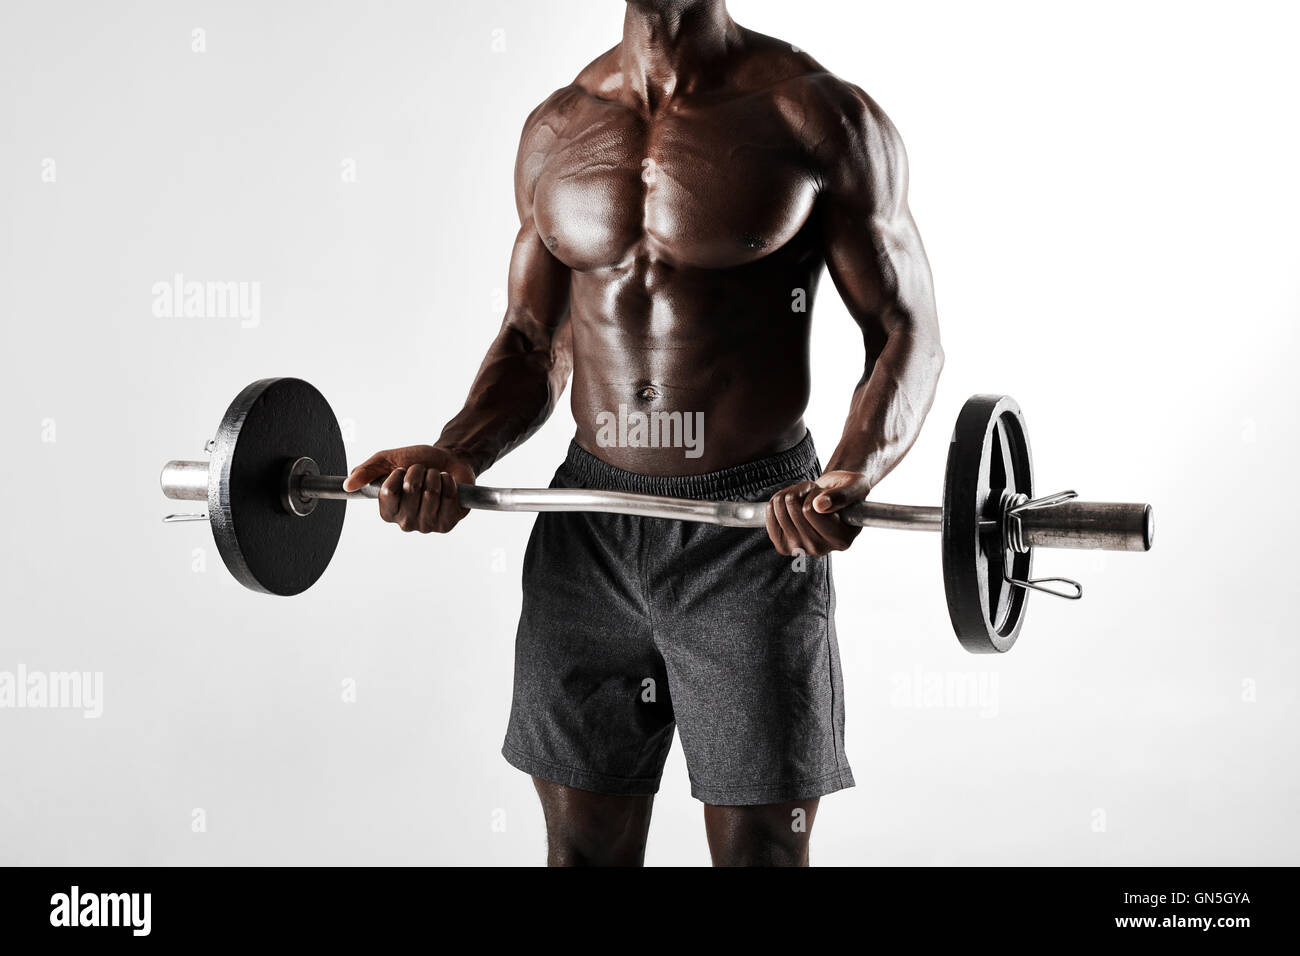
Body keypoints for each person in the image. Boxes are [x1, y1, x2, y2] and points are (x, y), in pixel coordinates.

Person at [343, 0, 942, 866]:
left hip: (753, 530)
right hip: (587, 525)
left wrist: (851, 475)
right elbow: (528, 338)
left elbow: (905, 329)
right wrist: (456, 453)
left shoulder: (817, 115)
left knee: (763, 851)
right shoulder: (558, 127)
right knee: (582, 851)